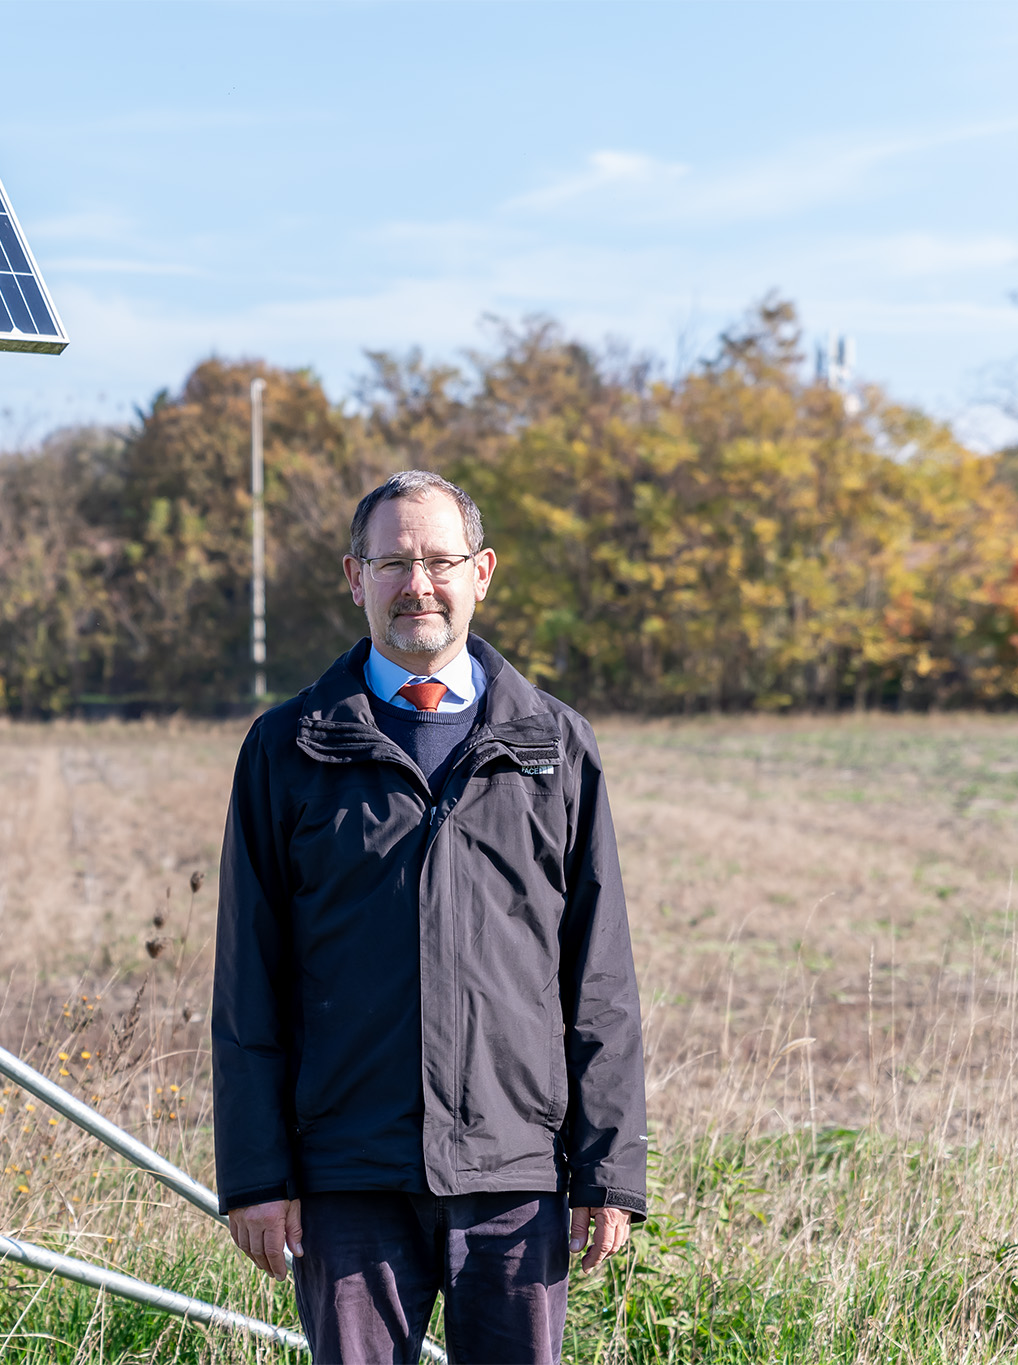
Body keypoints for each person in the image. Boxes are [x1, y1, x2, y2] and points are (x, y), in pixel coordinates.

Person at [211, 470, 646, 1365]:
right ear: (355, 575)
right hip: (347, 1176)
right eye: (394, 561)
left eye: (440, 560)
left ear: (481, 571)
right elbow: (247, 985)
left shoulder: (556, 746)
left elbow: (598, 975)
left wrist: (608, 1170)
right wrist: (257, 1174)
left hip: (517, 1174)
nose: (419, 583)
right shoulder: (286, 750)